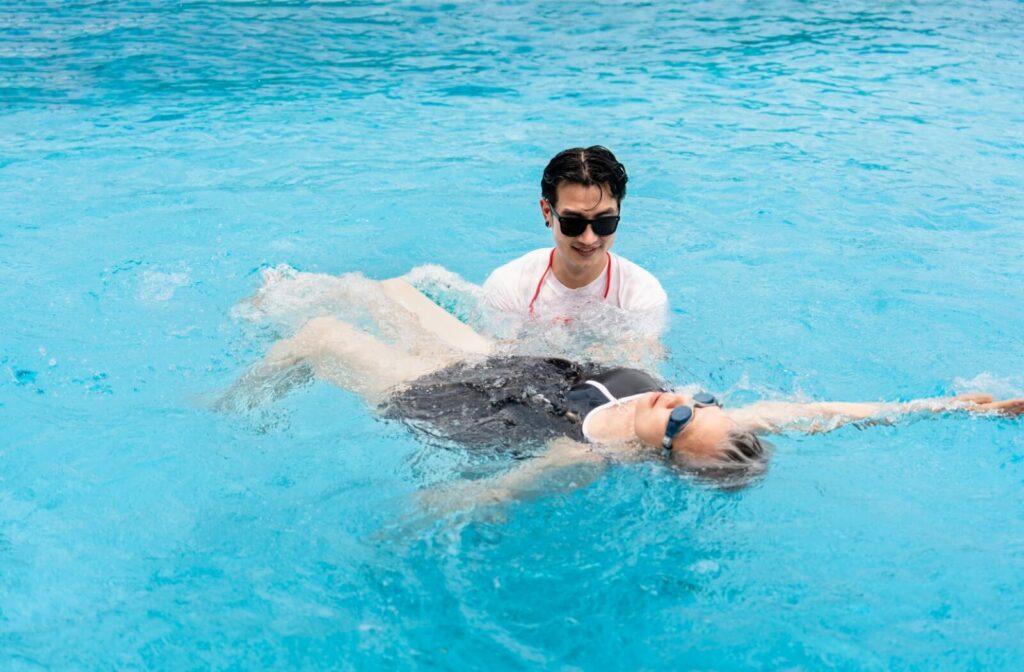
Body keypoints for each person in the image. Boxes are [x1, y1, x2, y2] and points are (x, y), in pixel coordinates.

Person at [222, 278, 1024, 503]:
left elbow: (491, 495)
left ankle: (231, 412)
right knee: (385, 289)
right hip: (516, 368)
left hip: (451, 401)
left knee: (321, 340)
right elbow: (829, 415)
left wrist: (428, 519)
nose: (673, 404)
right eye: (696, 403)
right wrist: (958, 406)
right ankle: (271, 297)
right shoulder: (711, 417)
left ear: (664, 455)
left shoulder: (587, 457)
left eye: (676, 423)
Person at [483, 146, 669, 332]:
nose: (588, 239)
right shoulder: (509, 285)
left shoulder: (642, 295)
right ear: (547, 212)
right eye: (573, 222)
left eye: (604, 222)